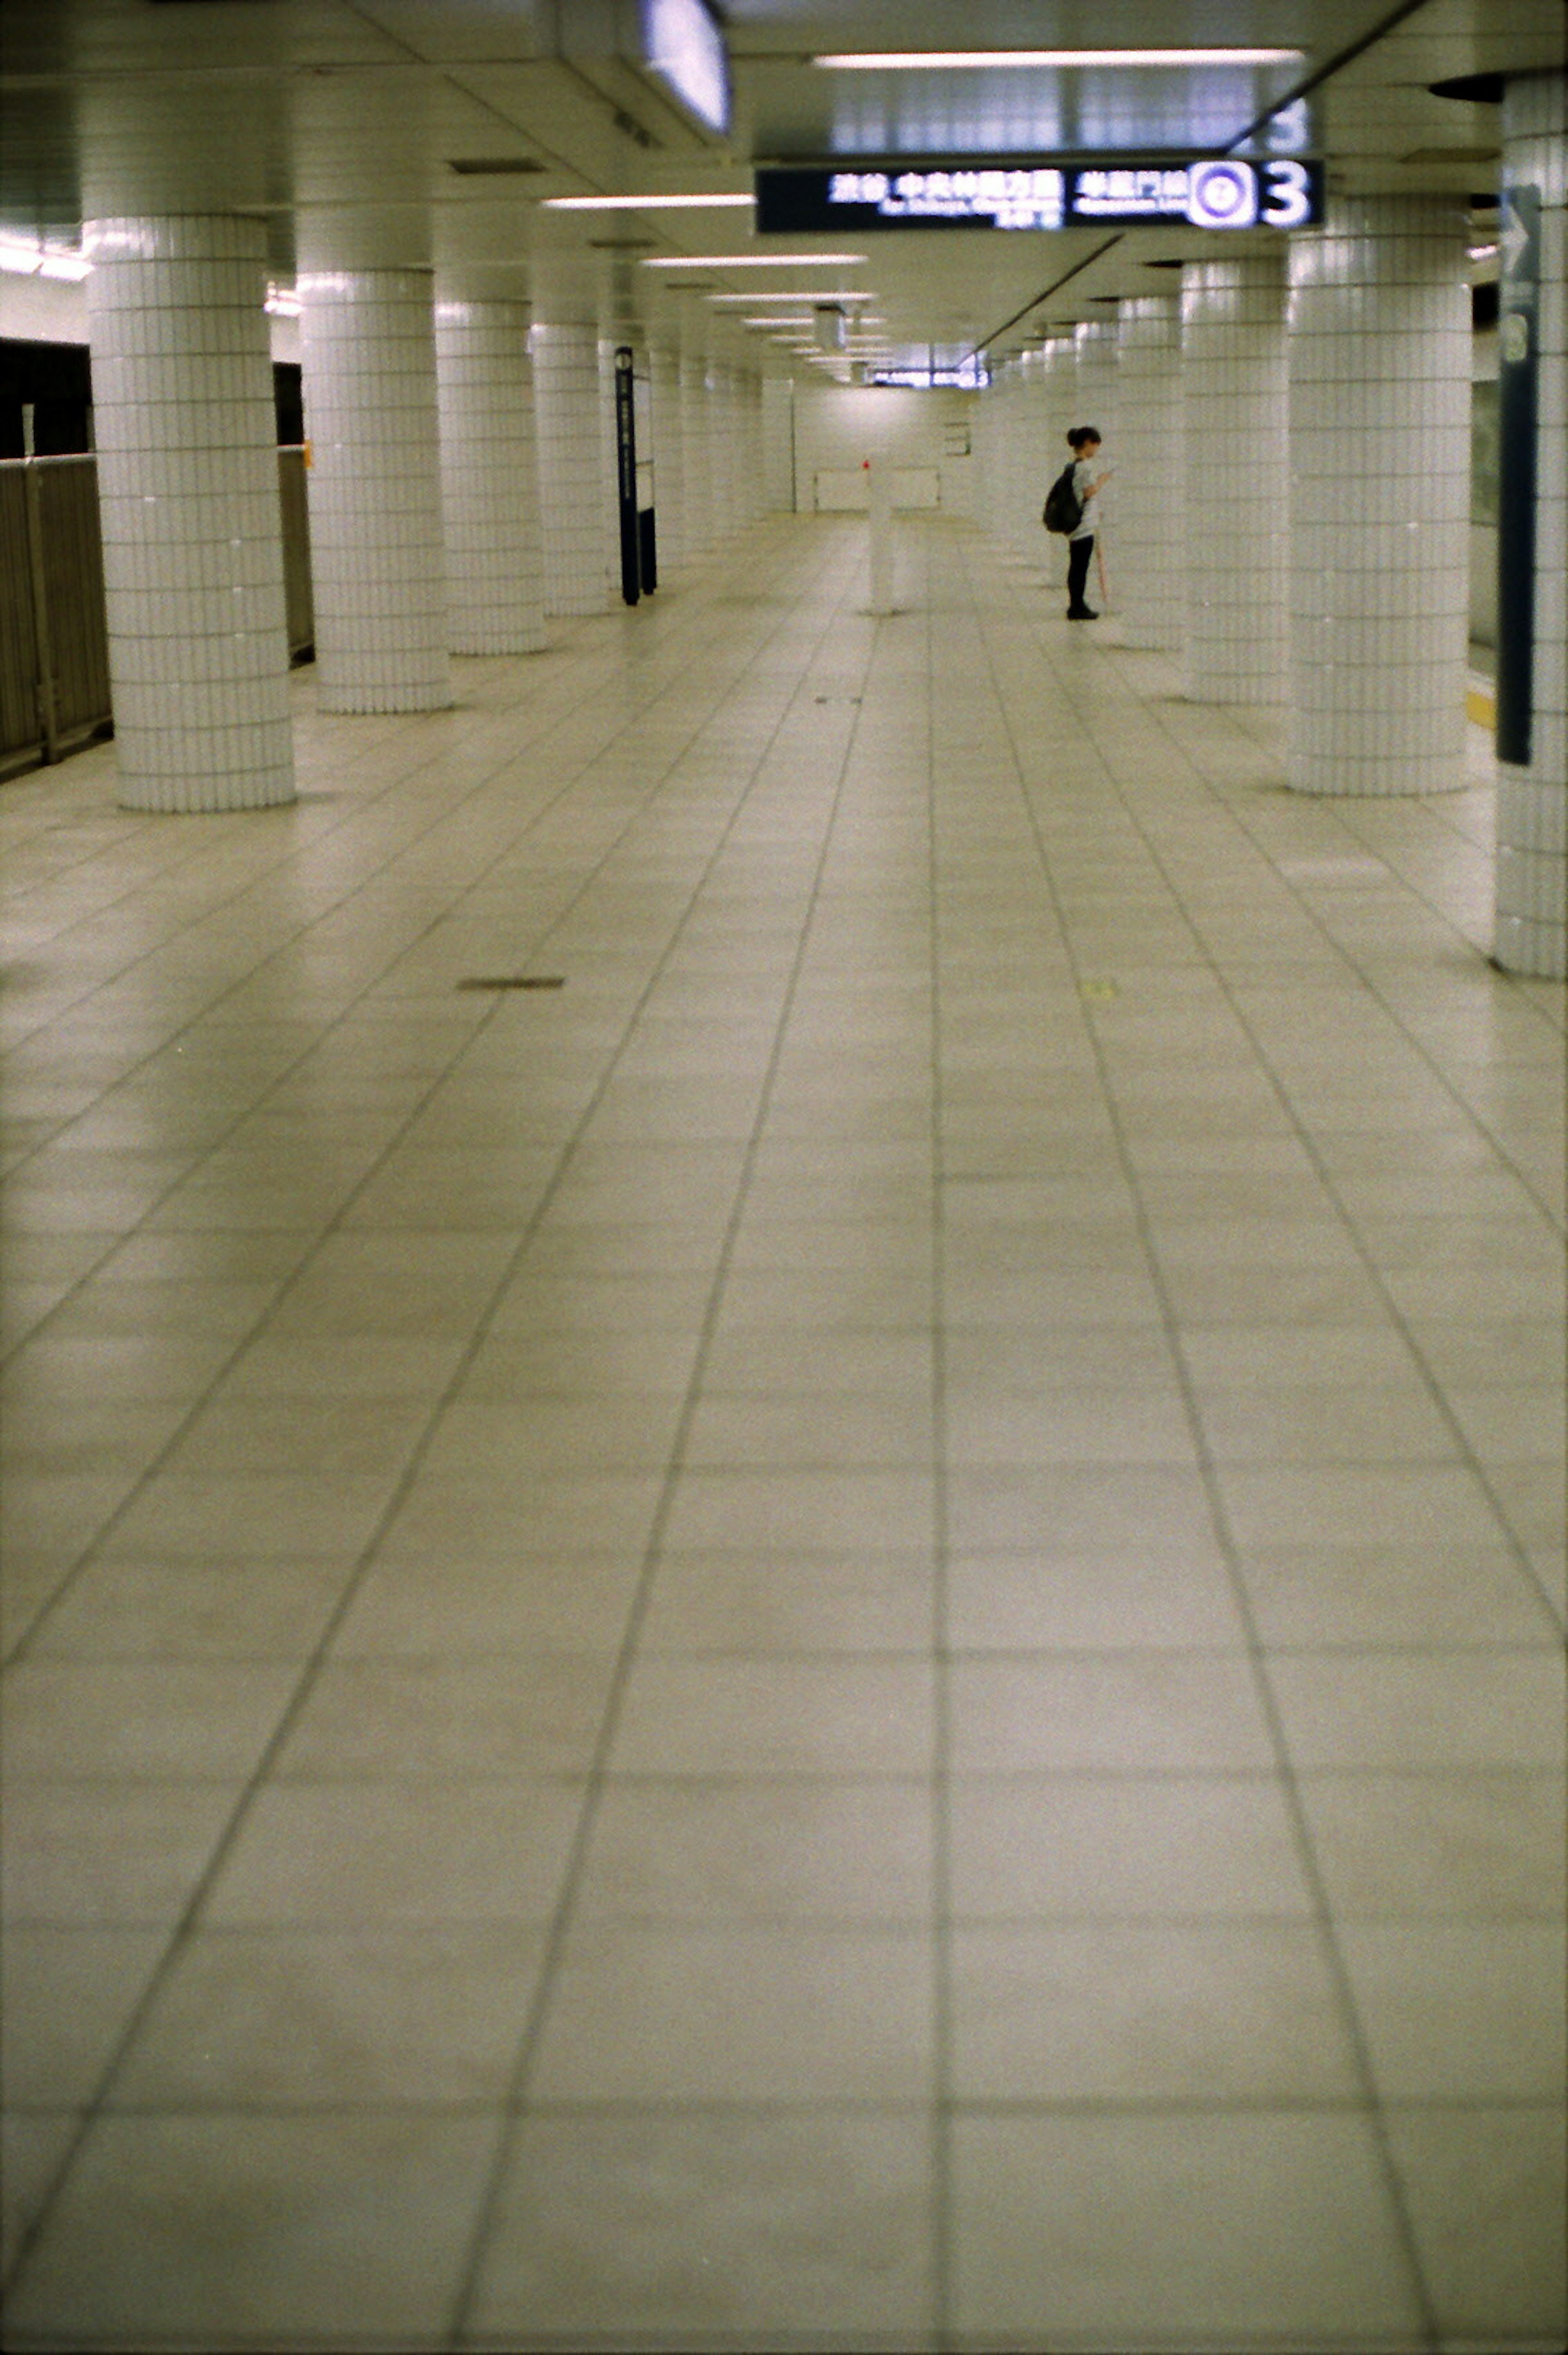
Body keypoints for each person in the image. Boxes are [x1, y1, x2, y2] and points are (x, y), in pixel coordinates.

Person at [1063, 426, 1111, 619]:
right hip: (1084, 526)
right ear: (1088, 443)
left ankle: (1076, 604)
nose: (1096, 451)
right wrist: (1102, 481)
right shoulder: (1085, 467)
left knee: (1077, 565)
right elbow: (1088, 492)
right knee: (1080, 567)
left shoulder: (1073, 465)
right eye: (1095, 446)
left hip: (1077, 524)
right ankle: (1077, 606)